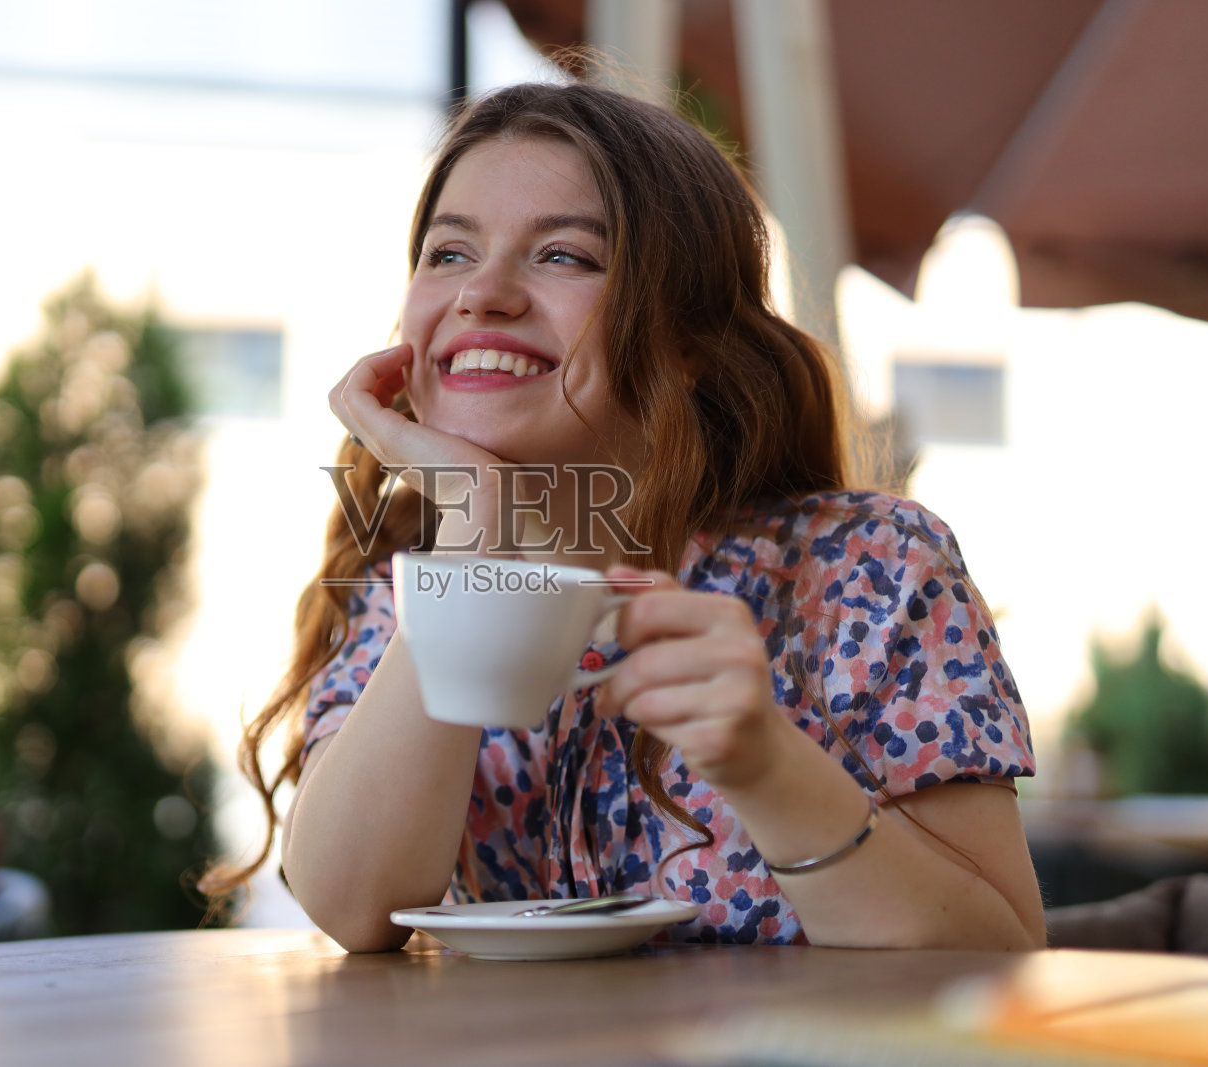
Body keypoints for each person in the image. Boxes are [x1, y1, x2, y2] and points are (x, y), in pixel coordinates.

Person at [201, 81, 1045, 953]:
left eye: (563, 256)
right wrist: (471, 536)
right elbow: (352, 906)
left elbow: (1001, 946)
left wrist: (766, 764)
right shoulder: (403, 592)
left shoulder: (868, 566)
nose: (482, 294)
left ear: (686, 338)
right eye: (449, 254)